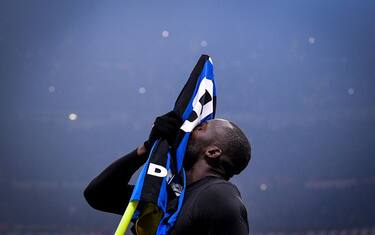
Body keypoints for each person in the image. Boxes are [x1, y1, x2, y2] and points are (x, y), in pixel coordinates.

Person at [84, 111, 251, 235]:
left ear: (213, 152)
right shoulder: (169, 196)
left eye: (200, 128)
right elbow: (99, 195)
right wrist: (148, 148)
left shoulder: (217, 196)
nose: (188, 130)